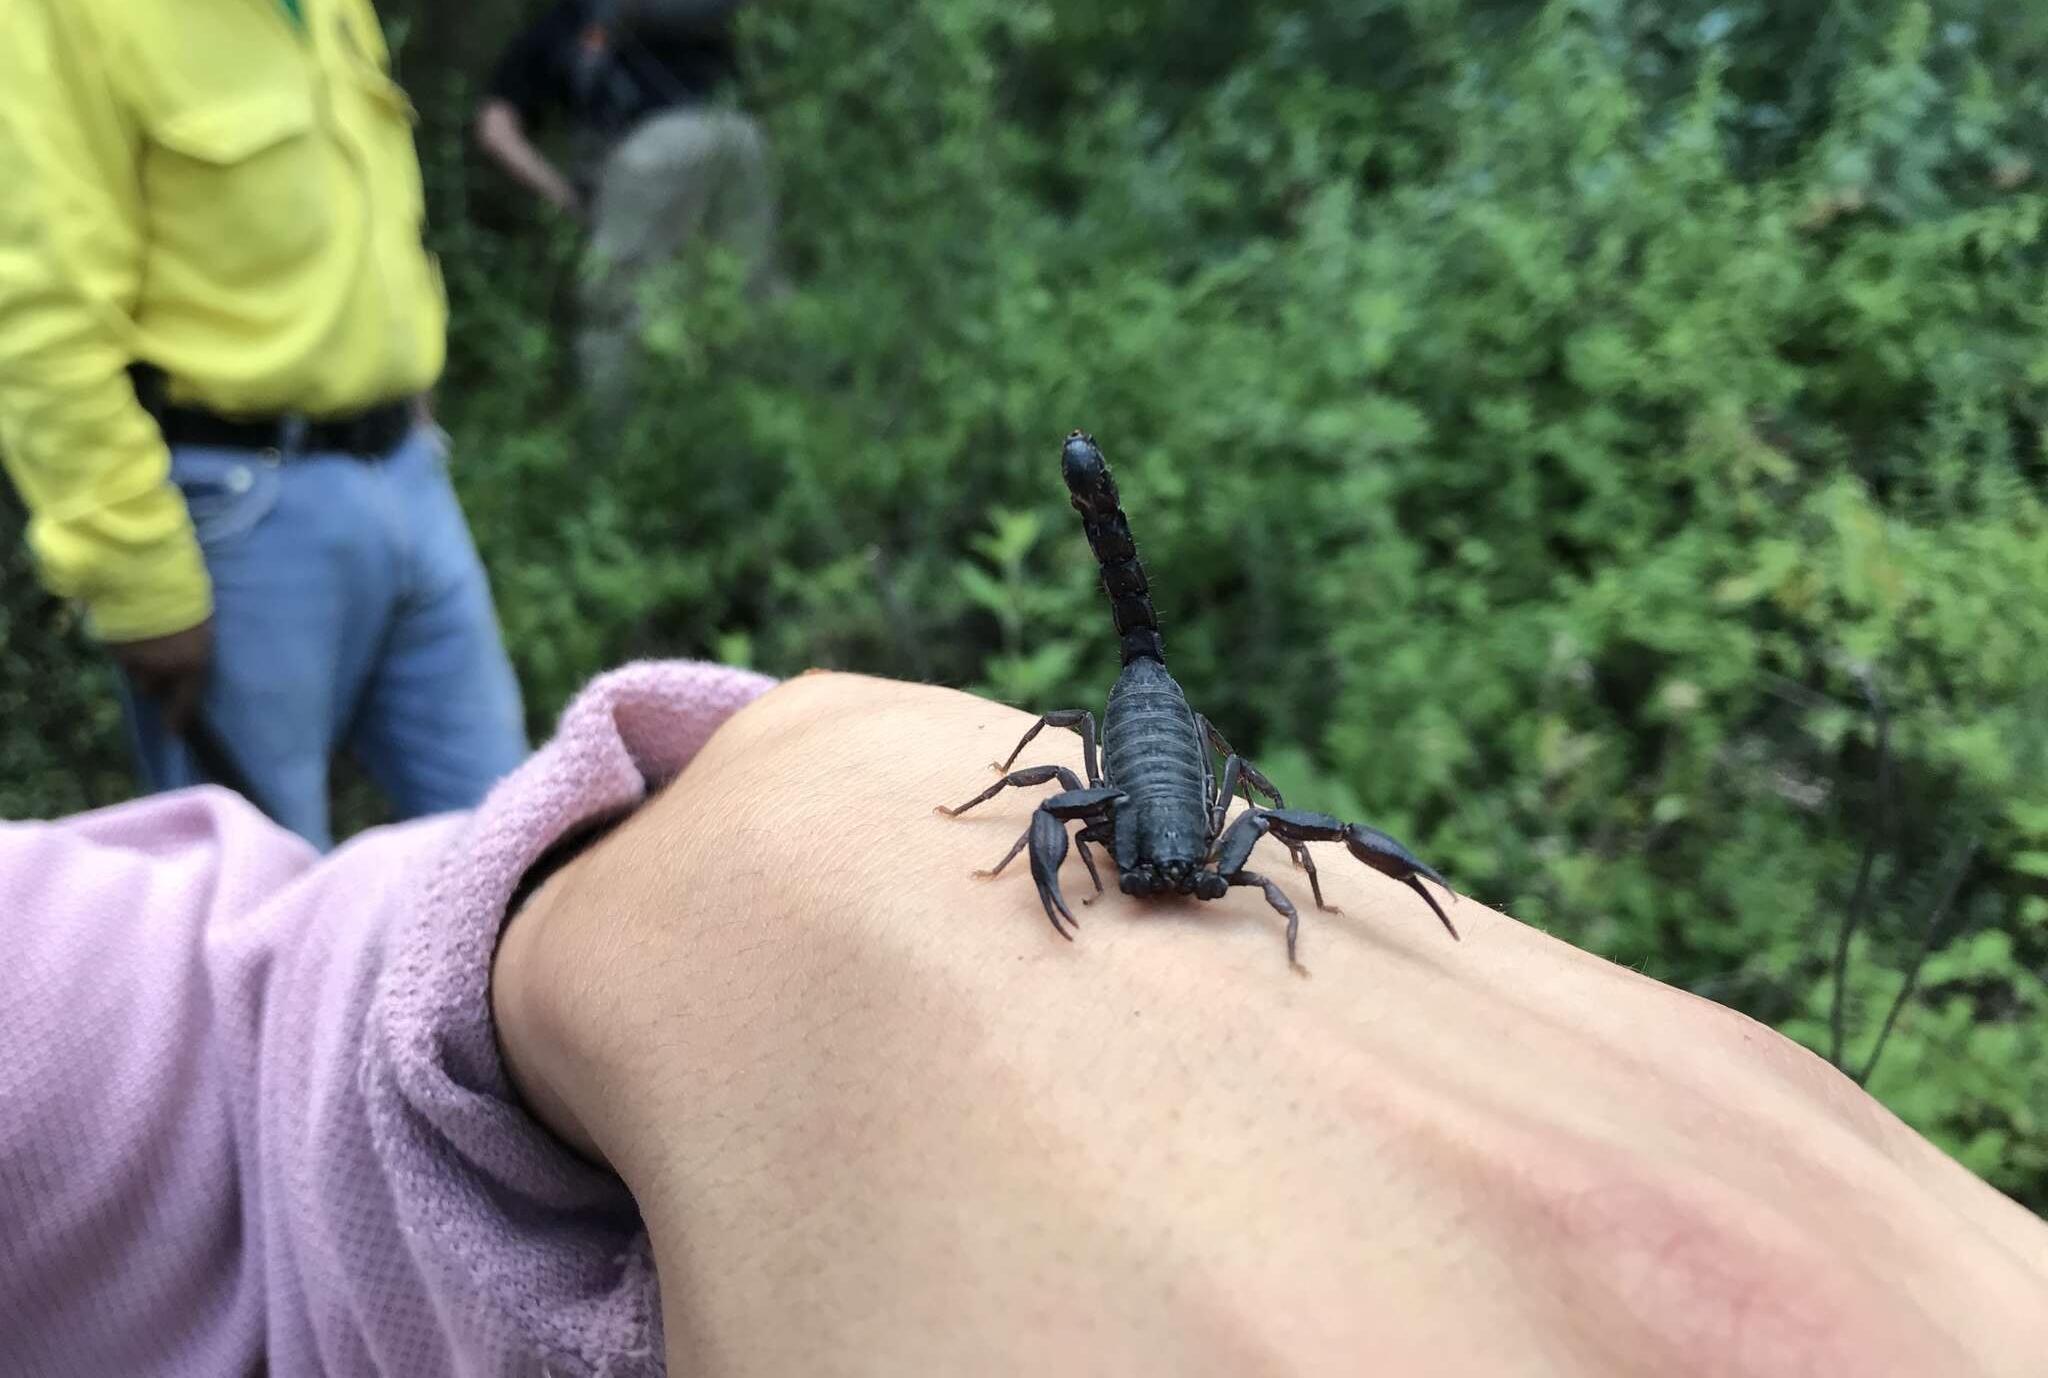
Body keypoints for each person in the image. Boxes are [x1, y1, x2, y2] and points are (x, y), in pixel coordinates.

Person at [2, 663, 2043, 1375]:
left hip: (1170, 754)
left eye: (1194, 870)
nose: (1169, 885)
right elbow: (1060, 797)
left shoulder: (1216, 839)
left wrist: (754, 929)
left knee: (1303, 838)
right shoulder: (1104, 801)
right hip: (1125, 748)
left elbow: (1270, 835)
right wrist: (886, 933)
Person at [0, 0, 530, 849]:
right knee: (263, 909)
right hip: (232, 518)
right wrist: (136, 576)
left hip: (407, 480)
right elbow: (35, 316)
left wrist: (411, 410)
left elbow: (369, 205)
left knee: (514, 854)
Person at [475, 0, 782, 422]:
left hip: (651, 154)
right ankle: (760, 437)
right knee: (743, 298)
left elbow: (495, 129)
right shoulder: (692, 11)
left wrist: (564, 198)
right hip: (740, 138)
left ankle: (623, 461)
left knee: (614, 318)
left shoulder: (565, 15)